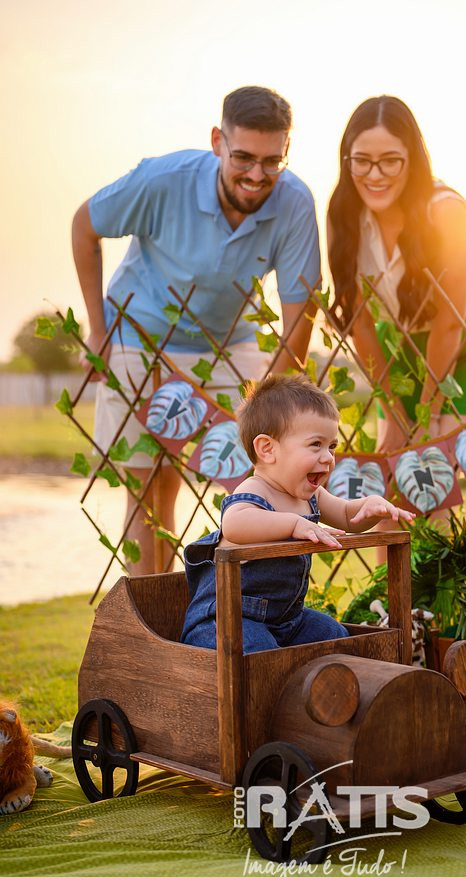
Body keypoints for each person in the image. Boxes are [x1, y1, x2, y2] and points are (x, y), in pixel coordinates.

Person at [72, 86, 321, 574]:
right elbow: (85, 225)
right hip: (140, 334)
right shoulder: (163, 180)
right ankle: (153, 618)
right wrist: (98, 332)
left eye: (272, 161)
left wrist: (277, 403)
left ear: (286, 150)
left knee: (261, 478)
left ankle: (242, 607)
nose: (256, 175)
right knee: (149, 489)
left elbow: (299, 313)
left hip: (230, 340)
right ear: (217, 142)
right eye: (243, 157)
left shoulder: (294, 202)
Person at [327, 95, 466, 453]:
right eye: (362, 161)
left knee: (442, 458)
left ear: (412, 160)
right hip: (399, 346)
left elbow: (450, 322)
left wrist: (428, 414)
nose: (375, 175)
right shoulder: (342, 214)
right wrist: (395, 414)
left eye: (390, 161)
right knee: (396, 461)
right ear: (346, 160)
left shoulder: (446, 211)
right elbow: (361, 323)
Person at [181, 374, 414, 653]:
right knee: (262, 654)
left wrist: (370, 508)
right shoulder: (256, 490)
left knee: (334, 635)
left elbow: (347, 517)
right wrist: (293, 525)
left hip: (287, 620)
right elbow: (234, 524)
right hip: (226, 620)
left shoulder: (311, 496)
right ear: (267, 449)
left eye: (332, 446)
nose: (328, 457)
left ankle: (330, 679)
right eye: (316, 444)